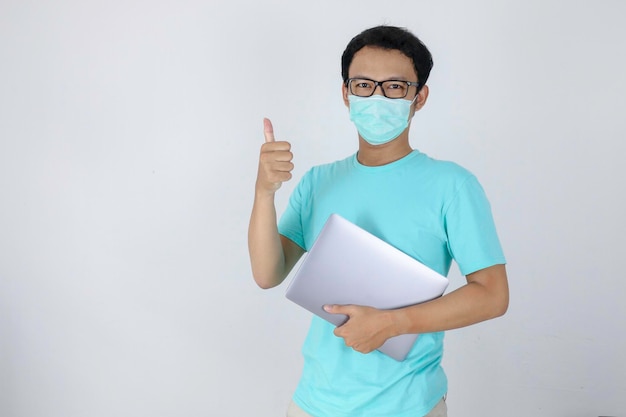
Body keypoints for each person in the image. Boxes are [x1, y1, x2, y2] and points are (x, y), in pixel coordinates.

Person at [248, 25, 509, 417]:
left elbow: (492, 294)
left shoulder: (452, 185)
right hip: (313, 403)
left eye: (395, 87)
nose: (377, 97)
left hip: (409, 405)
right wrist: (264, 192)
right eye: (364, 85)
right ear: (346, 93)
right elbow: (268, 273)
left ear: (419, 97)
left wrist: (395, 323)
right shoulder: (319, 181)